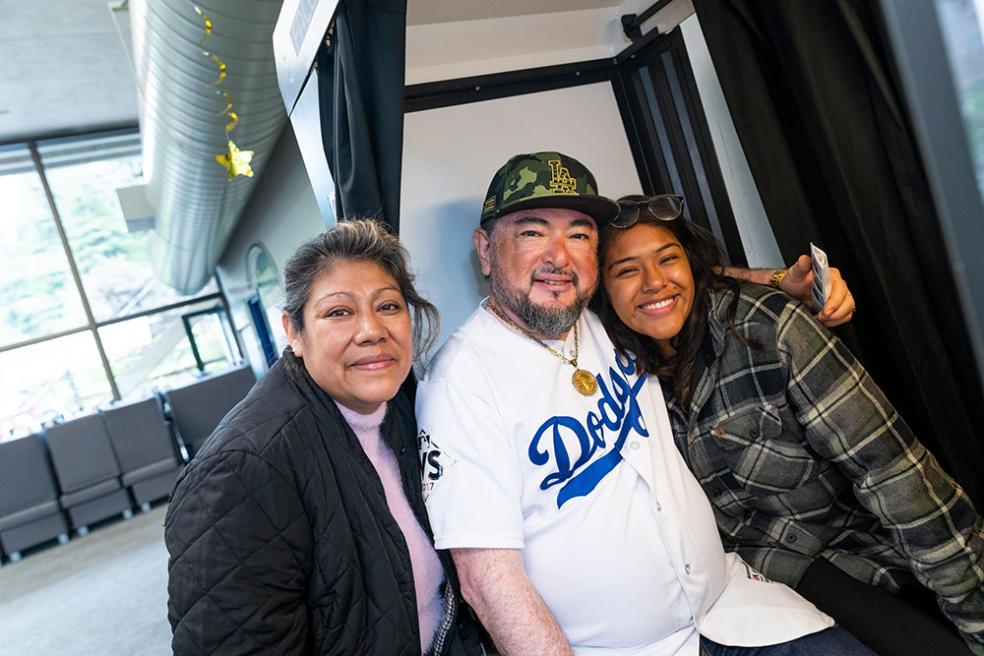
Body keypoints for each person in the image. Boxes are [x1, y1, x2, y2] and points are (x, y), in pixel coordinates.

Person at [417, 151, 873, 655]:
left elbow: (673, 278)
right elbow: (488, 580)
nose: (559, 256)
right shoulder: (460, 382)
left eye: (580, 234)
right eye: (532, 231)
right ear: (485, 250)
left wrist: (779, 281)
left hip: (734, 608)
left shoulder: (601, 311)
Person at [593, 194, 984, 656]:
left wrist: (974, 615)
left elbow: (897, 477)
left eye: (668, 259)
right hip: (748, 587)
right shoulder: (613, 374)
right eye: (626, 270)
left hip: (857, 555)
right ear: (602, 290)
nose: (654, 282)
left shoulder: (769, 330)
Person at [165, 220, 485, 656]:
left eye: (388, 306)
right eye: (339, 312)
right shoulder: (244, 469)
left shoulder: (410, 402)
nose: (372, 330)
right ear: (294, 332)